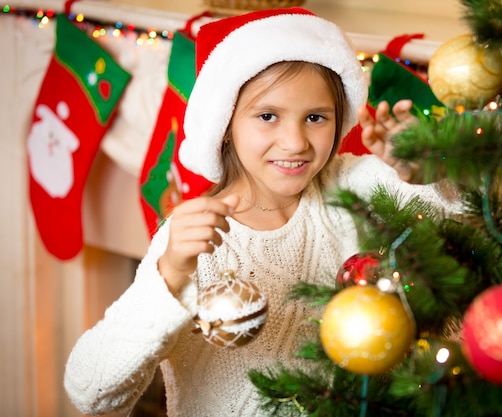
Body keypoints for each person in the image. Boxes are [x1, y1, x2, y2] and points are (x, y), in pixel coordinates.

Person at [64, 7, 460, 417]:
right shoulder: (190, 242)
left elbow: (467, 219)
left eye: (315, 118)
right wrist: (170, 275)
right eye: (267, 116)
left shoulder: (348, 184)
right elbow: (91, 391)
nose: (294, 142)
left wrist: (423, 171)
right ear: (226, 125)